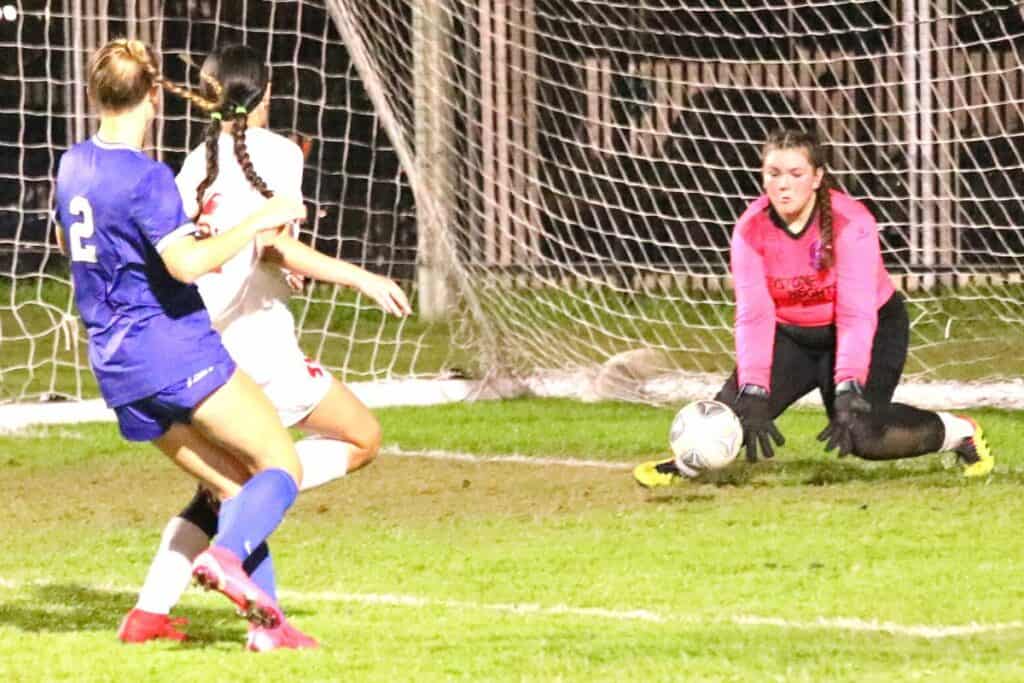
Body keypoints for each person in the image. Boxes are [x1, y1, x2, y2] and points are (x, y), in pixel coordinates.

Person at [115, 44, 412, 650]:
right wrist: (361, 276)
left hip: (198, 343)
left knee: (218, 487)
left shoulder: (193, 162)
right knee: (360, 439)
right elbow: (273, 245)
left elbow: (232, 252)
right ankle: (238, 547)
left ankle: (150, 613)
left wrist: (275, 268)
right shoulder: (276, 152)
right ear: (267, 92)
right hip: (258, 349)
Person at [54, 37, 314, 648]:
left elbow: (71, 246)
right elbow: (187, 266)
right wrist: (257, 219)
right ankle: (224, 556)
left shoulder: (72, 165)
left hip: (116, 368)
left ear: (95, 94)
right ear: (154, 97)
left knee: (230, 490)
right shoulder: (147, 177)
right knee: (282, 466)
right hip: (173, 351)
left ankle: (269, 629)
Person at [633, 127, 993, 487]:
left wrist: (848, 387)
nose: (783, 185)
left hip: (868, 329)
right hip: (793, 336)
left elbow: (856, 314)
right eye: (773, 174)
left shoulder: (851, 223)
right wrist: (754, 390)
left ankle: (959, 433)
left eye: (795, 174)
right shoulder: (750, 230)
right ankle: (690, 461)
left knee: (863, 433)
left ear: (818, 177)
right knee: (737, 413)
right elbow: (754, 317)